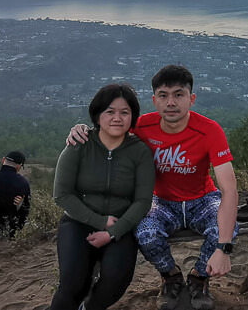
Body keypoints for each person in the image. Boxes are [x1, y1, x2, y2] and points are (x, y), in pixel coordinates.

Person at [68, 65, 238, 310]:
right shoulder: (142, 126)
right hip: (160, 200)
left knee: (226, 230)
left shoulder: (209, 130)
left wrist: (223, 248)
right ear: (154, 100)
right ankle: (170, 276)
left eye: (178, 95)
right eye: (163, 95)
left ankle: (199, 278)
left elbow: (229, 190)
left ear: (191, 99)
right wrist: (81, 128)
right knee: (146, 233)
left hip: (201, 198)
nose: (171, 102)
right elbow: (107, 129)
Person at [49, 83, 155, 310]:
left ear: (132, 117)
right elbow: (62, 195)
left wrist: (112, 232)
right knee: (73, 282)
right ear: (97, 116)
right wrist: (100, 222)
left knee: (117, 278)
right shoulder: (79, 145)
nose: (117, 118)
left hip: (122, 224)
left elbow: (142, 201)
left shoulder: (140, 152)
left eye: (124, 112)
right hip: (78, 222)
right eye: (110, 111)